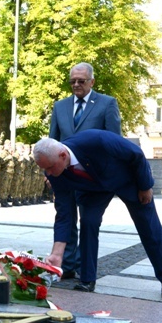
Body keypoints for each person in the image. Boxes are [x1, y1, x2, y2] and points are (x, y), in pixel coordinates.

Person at [33, 131, 162, 299]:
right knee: (88, 222)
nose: (48, 174)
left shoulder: (97, 140)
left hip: (127, 180)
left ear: (63, 155)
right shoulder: (54, 171)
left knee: (149, 227)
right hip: (93, 189)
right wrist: (57, 254)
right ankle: (87, 279)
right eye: (44, 170)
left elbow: (136, 155)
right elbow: (64, 214)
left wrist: (145, 186)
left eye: (49, 168)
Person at [48, 62, 121, 280]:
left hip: (91, 176)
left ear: (92, 81)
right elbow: (53, 140)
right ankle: (67, 264)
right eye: (72, 81)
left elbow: (114, 141)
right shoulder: (60, 106)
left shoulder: (107, 104)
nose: (76, 85)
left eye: (81, 81)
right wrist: (51, 172)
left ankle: (82, 264)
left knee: (88, 220)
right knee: (65, 217)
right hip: (64, 175)